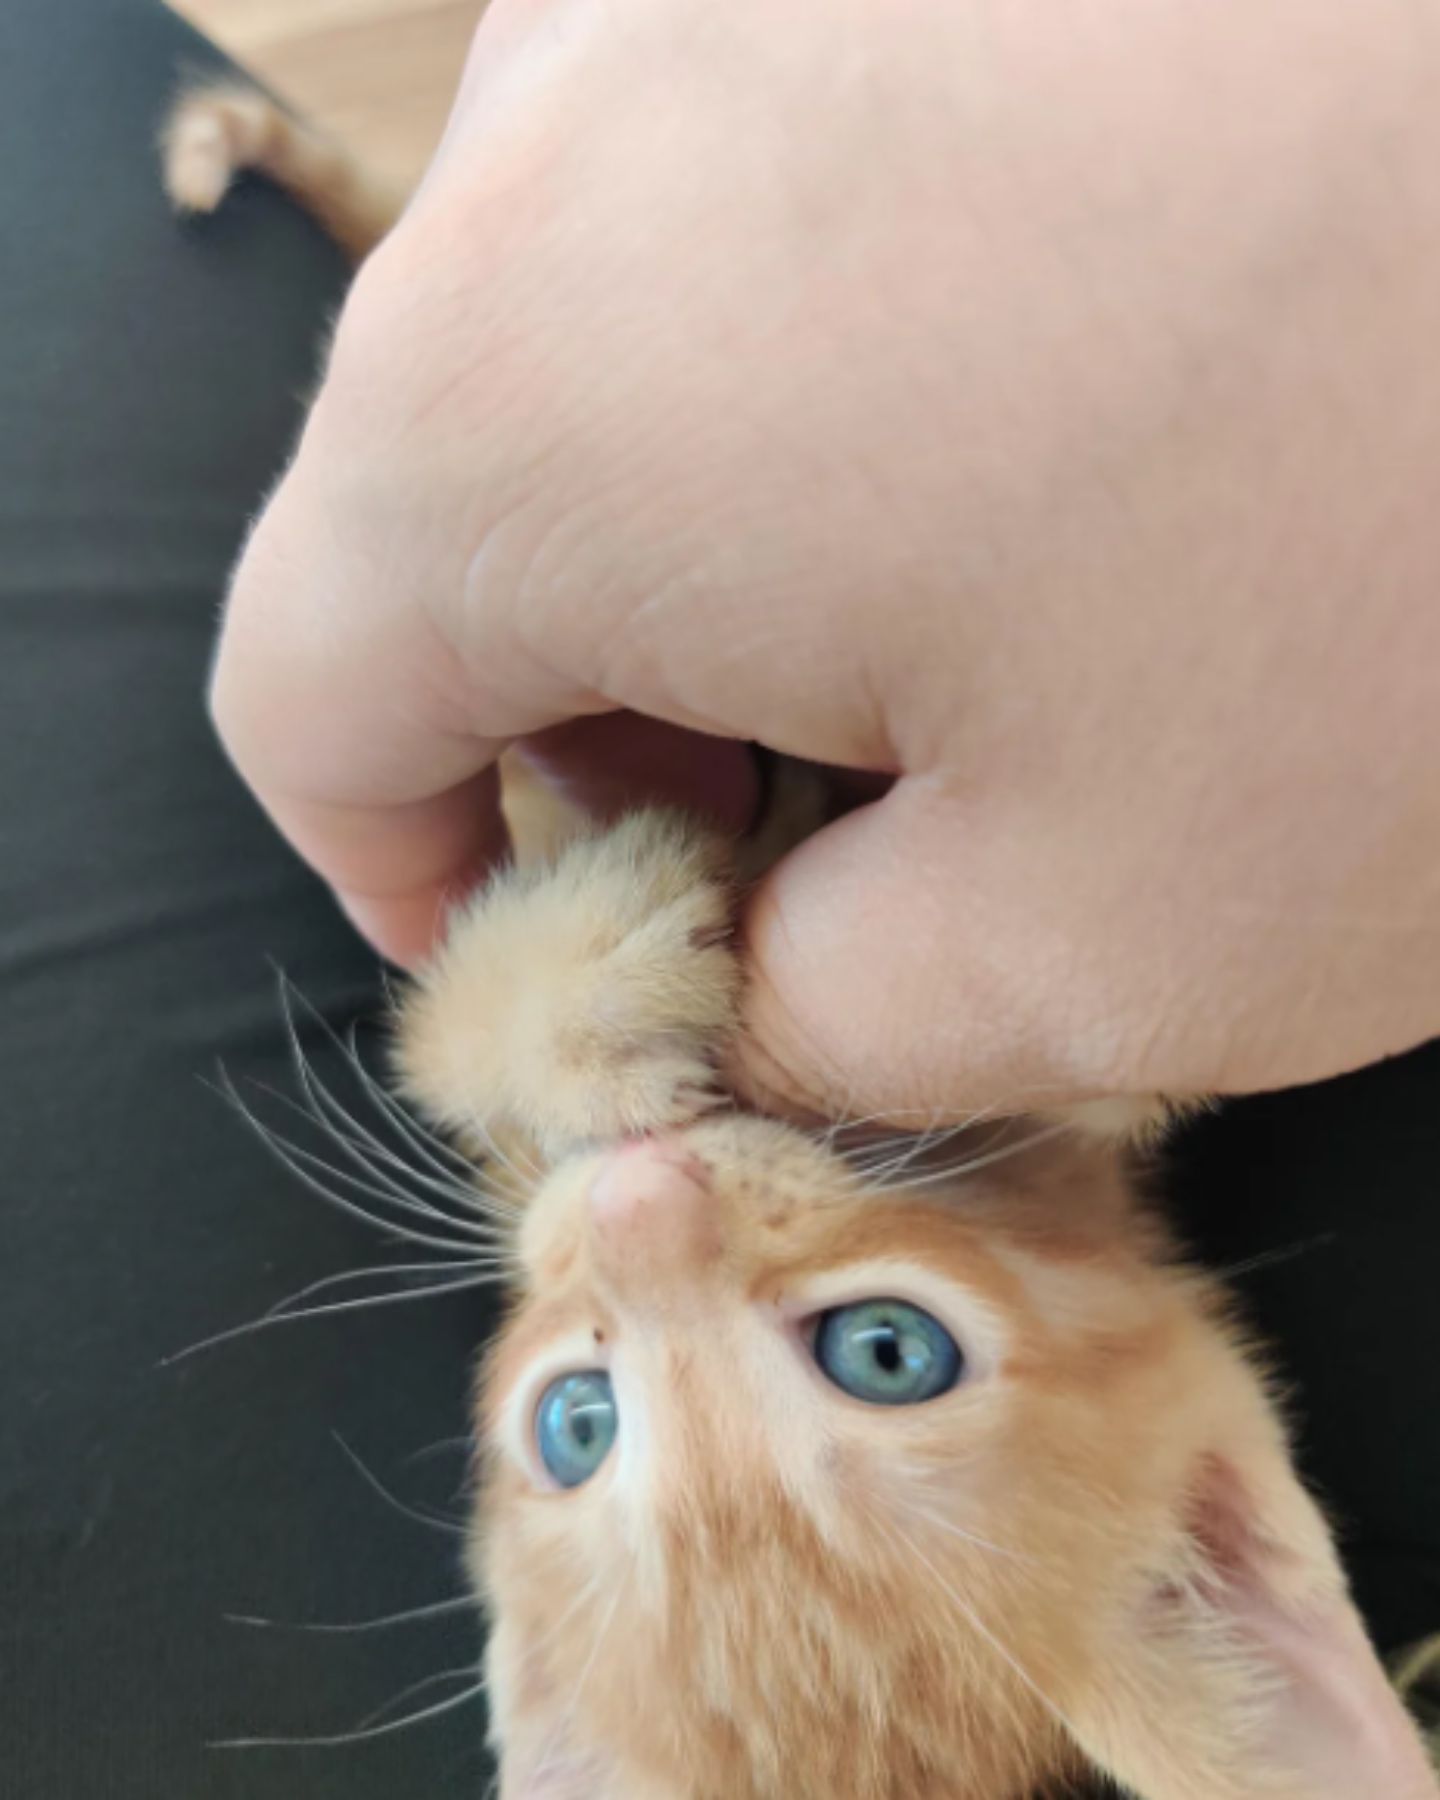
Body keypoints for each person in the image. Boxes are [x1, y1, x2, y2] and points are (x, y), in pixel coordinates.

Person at [1, 1, 1434, 1794]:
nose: (644, 1219)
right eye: (887, 1354)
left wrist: (545, 1013)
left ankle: (370, 223)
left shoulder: (599, 1181)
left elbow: (487, 1033)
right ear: (1218, 1525)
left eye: (582, 1422)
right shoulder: (1134, 1097)